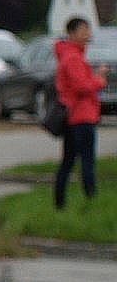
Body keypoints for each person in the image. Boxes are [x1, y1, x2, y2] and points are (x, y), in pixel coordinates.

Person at [54, 16, 109, 211]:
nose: (87, 35)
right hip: (81, 116)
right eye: (83, 30)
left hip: (75, 115)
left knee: (69, 161)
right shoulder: (73, 58)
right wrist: (99, 79)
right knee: (86, 160)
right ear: (72, 33)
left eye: (88, 30)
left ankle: (60, 202)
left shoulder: (72, 55)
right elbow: (82, 86)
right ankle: (90, 199)